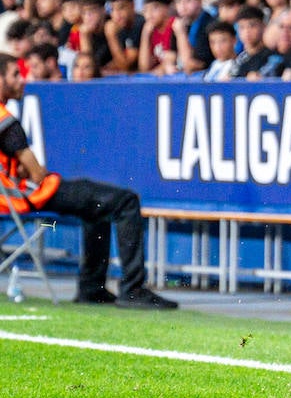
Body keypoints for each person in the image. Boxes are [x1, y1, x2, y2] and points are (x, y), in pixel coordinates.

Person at [0, 54, 175, 308]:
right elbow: (37, 175)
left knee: (96, 206)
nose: (23, 80)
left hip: (8, 199)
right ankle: (133, 288)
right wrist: (34, 173)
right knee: (126, 201)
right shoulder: (6, 121)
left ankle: (92, 288)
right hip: (27, 197)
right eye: (15, 74)